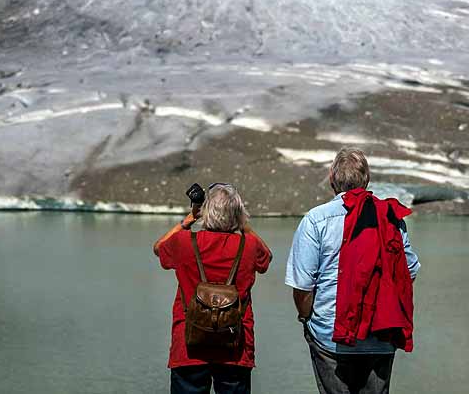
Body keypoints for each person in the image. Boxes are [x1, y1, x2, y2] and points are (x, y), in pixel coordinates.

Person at [285, 147, 421, 394]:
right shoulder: (389, 217)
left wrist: (306, 318)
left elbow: (303, 286)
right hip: (381, 333)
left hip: (330, 338)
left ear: (331, 178)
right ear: (367, 180)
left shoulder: (316, 220)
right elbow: (409, 270)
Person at [154, 183, 272, 394]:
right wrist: (243, 224)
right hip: (235, 347)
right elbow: (266, 257)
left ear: (206, 211)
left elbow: (158, 248)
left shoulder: (183, 242)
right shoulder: (249, 246)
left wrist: (190, 218)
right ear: (237, 214)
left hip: (189, 346)